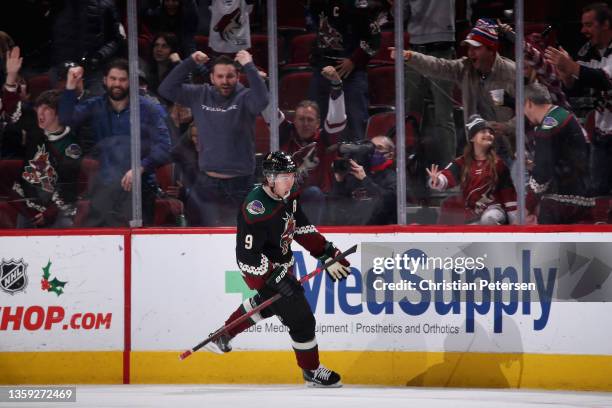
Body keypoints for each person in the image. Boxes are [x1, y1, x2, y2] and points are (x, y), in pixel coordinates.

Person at [205, 151, 352, 388]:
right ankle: (312, 371)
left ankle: (225, 333)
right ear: (270, 178)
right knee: (301, 319)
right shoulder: (256, 208)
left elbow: (301, 227)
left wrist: (327, 252)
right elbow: (247, 256)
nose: (290, 181)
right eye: (284, 177)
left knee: (271, 304)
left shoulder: (289, 194)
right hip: (258, 269)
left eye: (292, 175)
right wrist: (276, 277)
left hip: (282, 265)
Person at [158, 50, 269, 226]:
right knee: (201, 235)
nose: (225, 81)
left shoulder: (245, 97)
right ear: (211, 78)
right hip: (207, 183)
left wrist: (249, 65)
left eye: (230, 76)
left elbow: (262, 100)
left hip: (241, 183)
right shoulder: (199, 94)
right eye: (220, 76)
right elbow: (166, 89)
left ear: (238, 76)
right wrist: (190, 62)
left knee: (246, 236)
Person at [59, 59, 171, 226]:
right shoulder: (95, 105)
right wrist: (70, 87)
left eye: (122, 79)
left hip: (141, 187)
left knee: (138, 242)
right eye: (113, 79)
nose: (117, 84)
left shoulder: (148, 108)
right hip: (105, 186)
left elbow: (164, 146)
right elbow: (67, 119)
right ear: (105, 80)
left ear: (131, 82)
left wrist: (141, 166)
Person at [391, 18, 516, 164]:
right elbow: (438, 66)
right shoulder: (465, 68)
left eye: (476, 48)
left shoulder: (512, 73)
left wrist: (507, 127)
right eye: (469, 48)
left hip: (510, 149)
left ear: (491, 50)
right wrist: (410, 56)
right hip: (479, 149)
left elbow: (530, 111)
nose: (470, 53)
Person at [263, 65, 347, 223]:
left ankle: (311, 234)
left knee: (314, 193)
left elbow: (336, 120)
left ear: (317, 124)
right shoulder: (286, 133)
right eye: (301, 119)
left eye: (310, 120)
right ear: (294, 120)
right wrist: (262, 86)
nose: (305, 123)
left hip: (315, 200)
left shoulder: (325, 139)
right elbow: (269, 113)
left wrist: (336, 86)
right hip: (285, 198)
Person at [544, 2, 612, 196]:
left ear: (605, 24)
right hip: (602, 136)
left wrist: (571, 66)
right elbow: (578, 85)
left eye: (589, 25)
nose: (583, 30)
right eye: (583, 25)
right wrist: (566, 75)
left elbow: (602, 79)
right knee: (597, 194)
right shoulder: (590, 51)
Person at [306, 0, 386, 141]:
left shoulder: (358, 5)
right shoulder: (317, 4)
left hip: (350, 73)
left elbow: (374, 39)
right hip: (322, 70)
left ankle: (357, 161)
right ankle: (320, 160)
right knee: (316, 121)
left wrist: (354, 60)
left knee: (355, 122)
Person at [7, 90, 82, 228]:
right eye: (39, 108)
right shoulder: (34, 133)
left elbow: (68, 187)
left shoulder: (71, 147)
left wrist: (49, 213)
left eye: (46, 109)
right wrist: (11, 79)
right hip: (26, 209)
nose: (40, 113)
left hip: (55, 214)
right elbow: (12, 112)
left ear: (59, 113)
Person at [522, 83, 594, 224]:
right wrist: (533, 166)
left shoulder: (548, 127)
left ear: (529, 103)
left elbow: (542, 174)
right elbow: (562, 159)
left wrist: (527, 206)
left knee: (549, 246)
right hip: (583, 199)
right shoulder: (562, 114)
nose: (525, 114)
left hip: (559, 204)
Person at [428, 114, 518, 225]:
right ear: (472, 138)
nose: (488, 135)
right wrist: (437, 180)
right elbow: (447, 175)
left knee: (489, 219)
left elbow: (508, 193)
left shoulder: (498, 164)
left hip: (494, 210)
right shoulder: (462, 162)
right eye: (483, 132)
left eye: (490, 132)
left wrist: (515, 220)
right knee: (469, 228)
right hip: (472, 213)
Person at [328, 136, 397, 225]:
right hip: (351, 233)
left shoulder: (392, 177)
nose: (373, 151)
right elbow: (336, 210)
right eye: (371, 148)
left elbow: (388, 202)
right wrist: (339, 181)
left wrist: (365, 179)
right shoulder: (354, 174)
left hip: (380, 233)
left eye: (379, 148)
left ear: (390, 155)